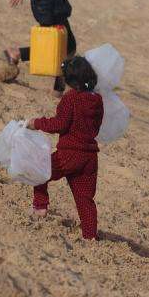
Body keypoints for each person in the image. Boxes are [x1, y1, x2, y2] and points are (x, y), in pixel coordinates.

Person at [27, 56, 104, 239]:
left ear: (69, 80)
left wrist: (36, 123)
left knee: (40, 171)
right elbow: (96, 126)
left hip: (70, 153)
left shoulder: (71, 99)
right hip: (90, 157)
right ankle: (90, 236)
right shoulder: (98, 100)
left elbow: (59, 125)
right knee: (85, 200)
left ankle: (40, 207)